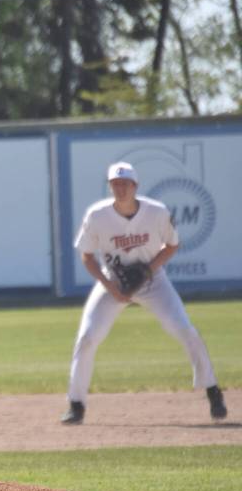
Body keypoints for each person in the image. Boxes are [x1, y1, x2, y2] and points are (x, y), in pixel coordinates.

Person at [60, 161, 228, 425]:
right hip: (114, 281)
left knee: (184, 328)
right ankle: (76, 404)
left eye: (125, 184)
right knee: (88, 336)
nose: (120, 188)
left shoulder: (156, 212)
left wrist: (148, 270)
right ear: (110, 187)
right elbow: (87, 256)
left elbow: (172, 245)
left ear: (135, 186)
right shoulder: (97, 215)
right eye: (115, 184)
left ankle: (212, 390)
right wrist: (109, 286)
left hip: (153, 281)